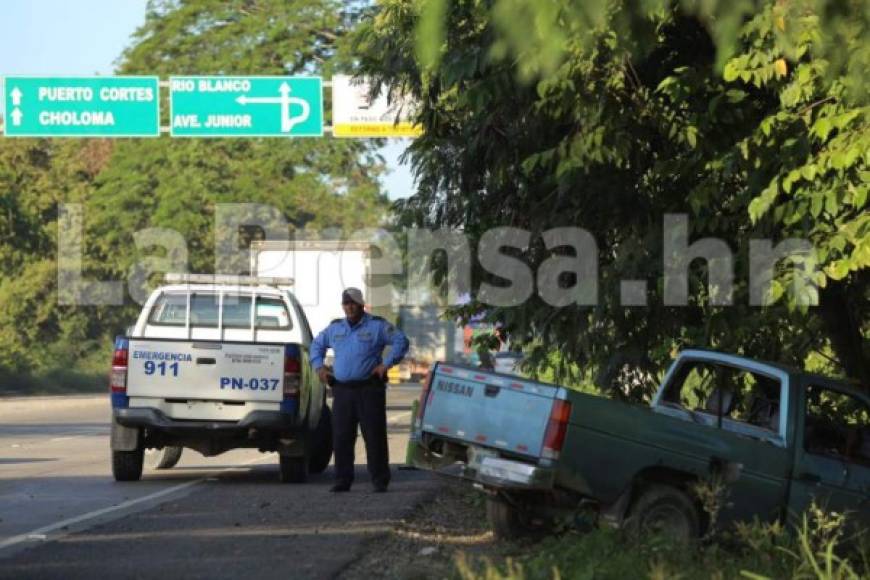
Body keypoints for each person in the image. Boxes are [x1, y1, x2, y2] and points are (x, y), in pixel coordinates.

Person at [309, 287, 410, 493]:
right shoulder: (335, 328)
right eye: (346, 304)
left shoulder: (377, 326)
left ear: (362, 304)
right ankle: (342, 480)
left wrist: (386, 364)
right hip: (343, 391)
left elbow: (401, 341)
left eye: (353, 303)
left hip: (369, 390)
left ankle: (380, 481)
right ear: (342, 306)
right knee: (341, 437)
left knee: (374, 437)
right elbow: (316, 345)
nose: (350, 307)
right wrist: (319, 367)